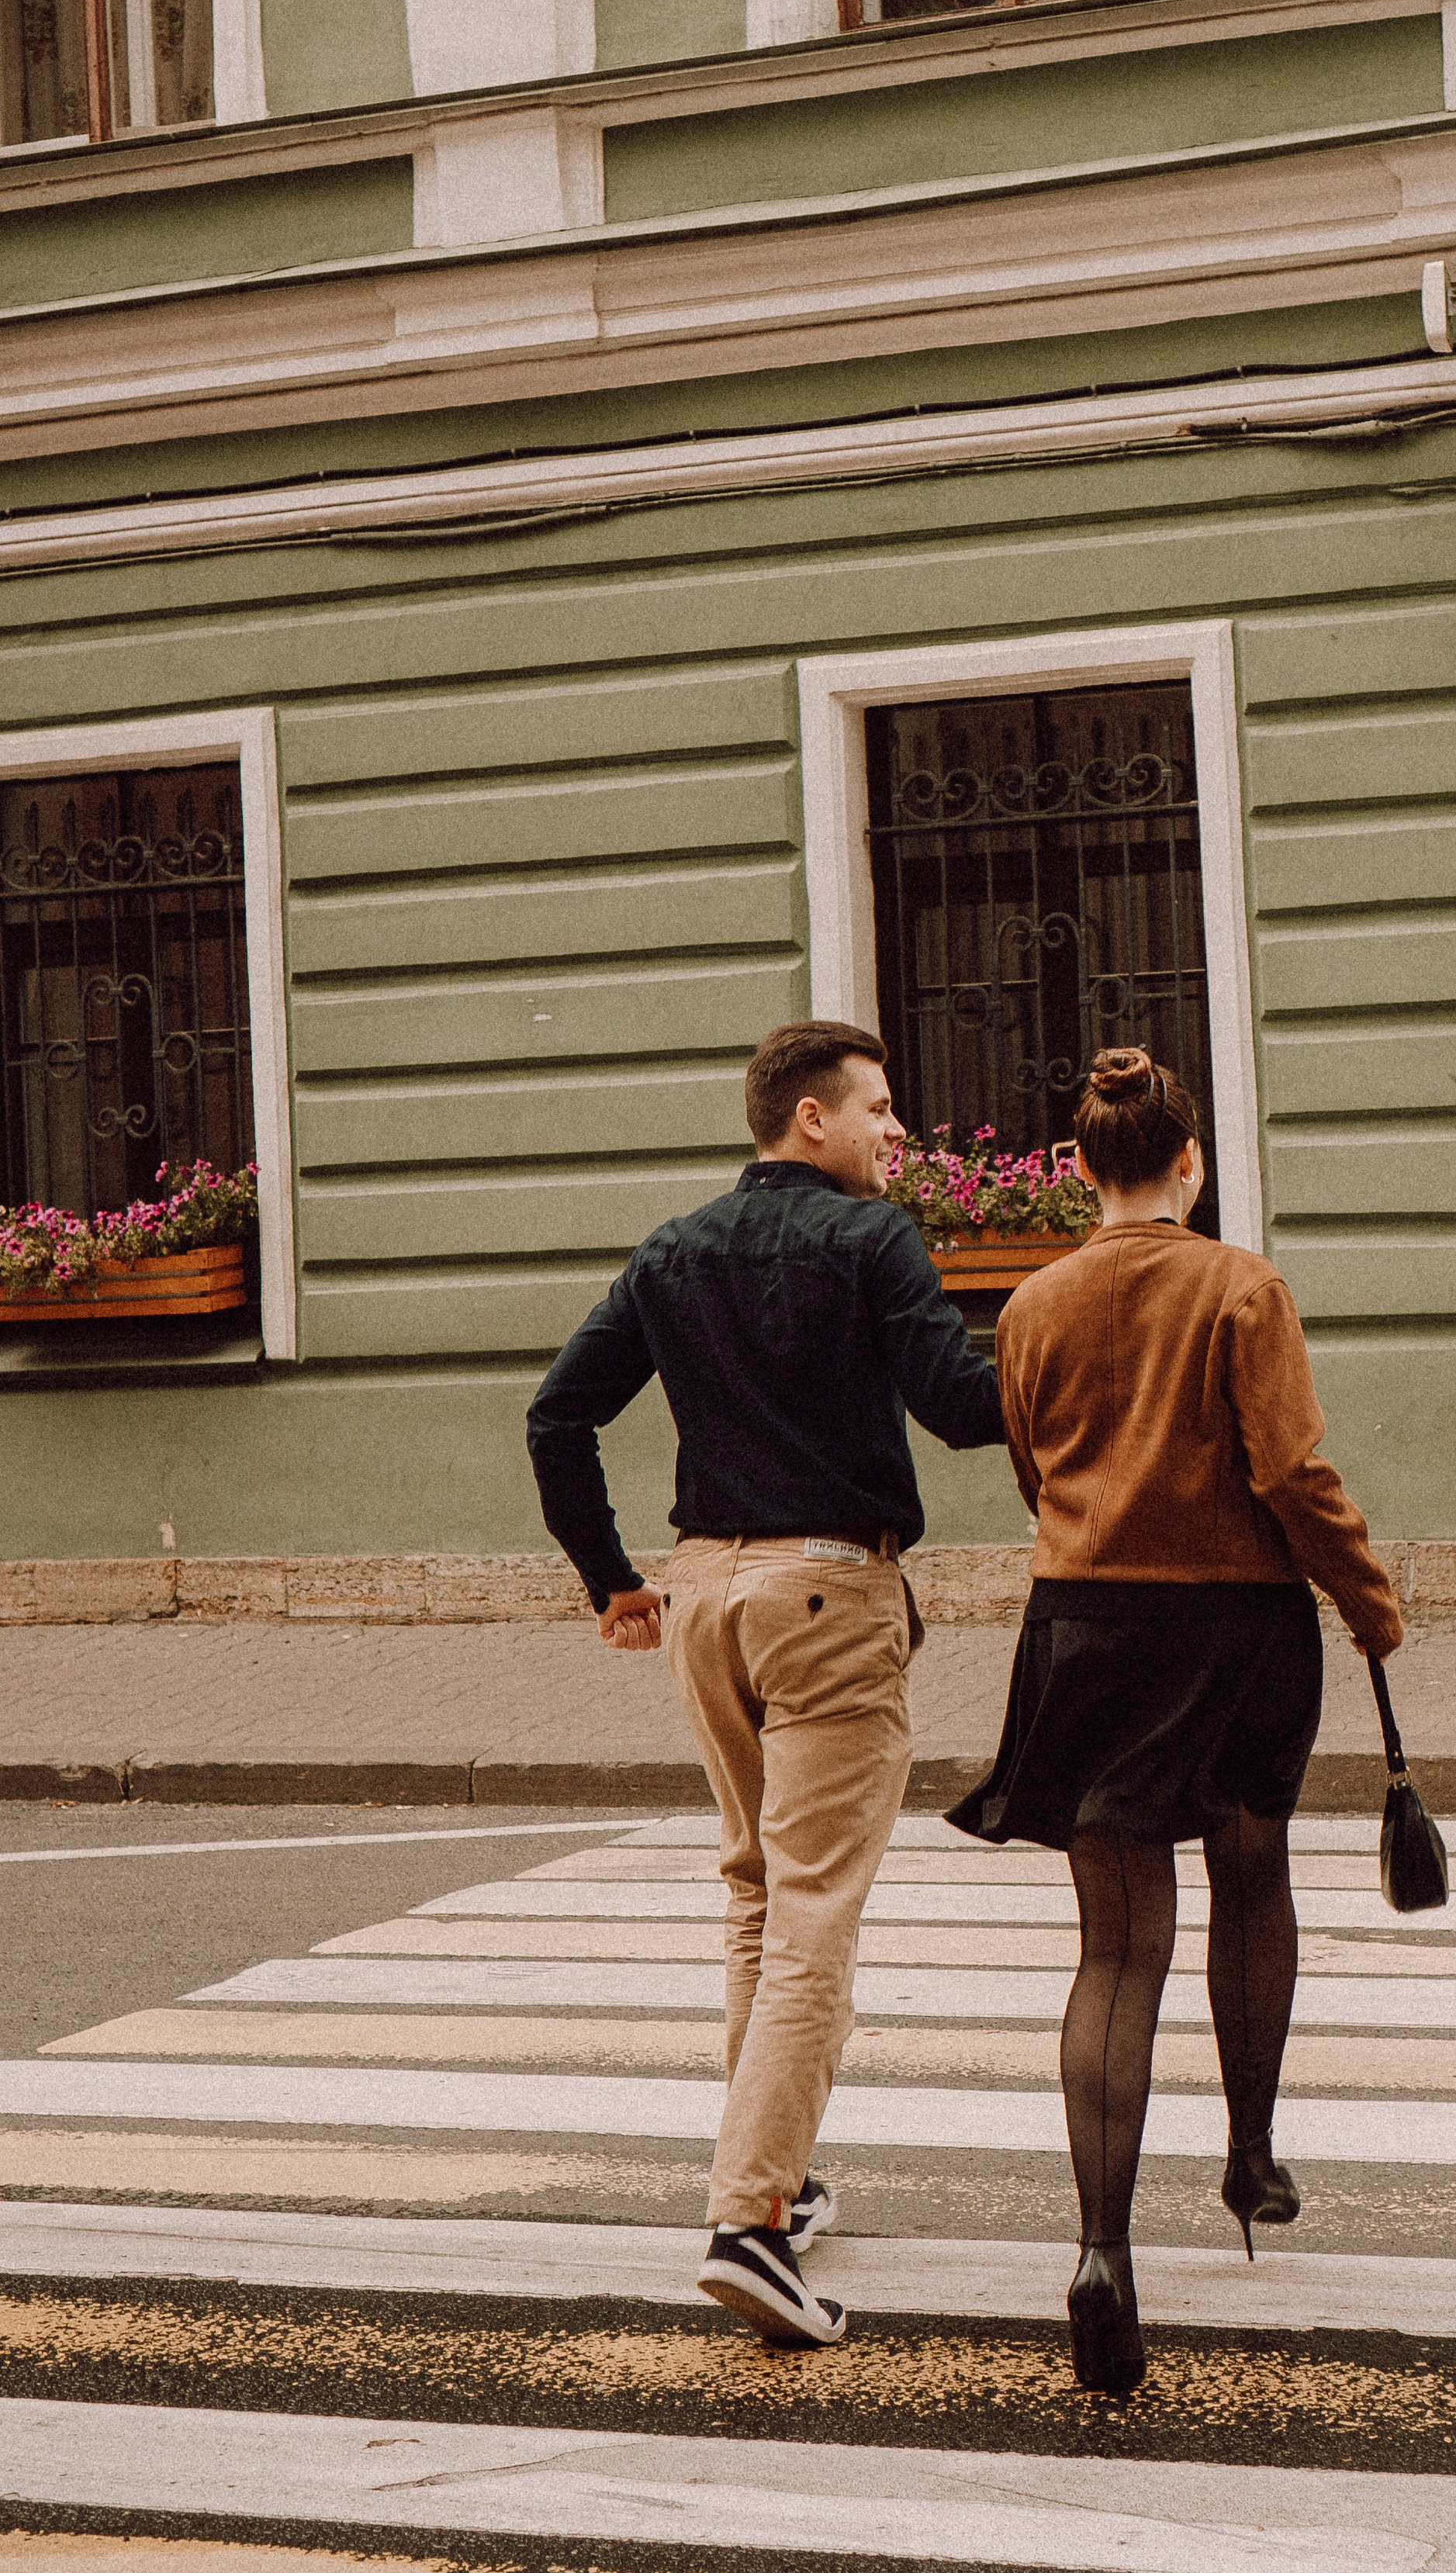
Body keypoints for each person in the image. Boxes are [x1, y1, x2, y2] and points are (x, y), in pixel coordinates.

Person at [527, 1019, 1008, 2348]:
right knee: (811, 1919)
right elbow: (962, 1407)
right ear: (812, 1117)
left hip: (702, 1600)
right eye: (881, 1108)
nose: (898, 1132)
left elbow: (558, 1415)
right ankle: (746, 2224)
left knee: (756, 1895)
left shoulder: (674, 1249)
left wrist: (611, 1579)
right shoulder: (872, 1240)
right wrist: (1074, 1340)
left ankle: (777, 2190)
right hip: (826, 1596)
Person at [948, 1046, 1403, 2395]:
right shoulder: (1242, 1287)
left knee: (1116, 1947)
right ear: (1190, 1163)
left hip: (1085, 1631)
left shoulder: (1030, 1304)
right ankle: (1250, 2155)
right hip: (1237, 1630)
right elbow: (1293, 1472)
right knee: (1251, 1871)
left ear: (1079, 1169)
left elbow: (1032, 1468)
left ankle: (1103, 2253)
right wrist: (1367, 1599)